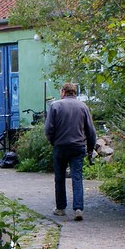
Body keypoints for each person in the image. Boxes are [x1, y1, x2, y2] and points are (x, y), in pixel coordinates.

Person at [44, 82, 97, 221]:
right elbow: (91, 131)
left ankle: (60, 208)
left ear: (63, 91)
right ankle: (78, 208)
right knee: (77, 177)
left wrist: (52, 141)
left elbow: (48, 129)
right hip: (78, 146)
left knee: (60, 177)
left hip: (60, 146)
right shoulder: (83, 107)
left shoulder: (55, 106)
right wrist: (90, 149)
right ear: (75, 92)